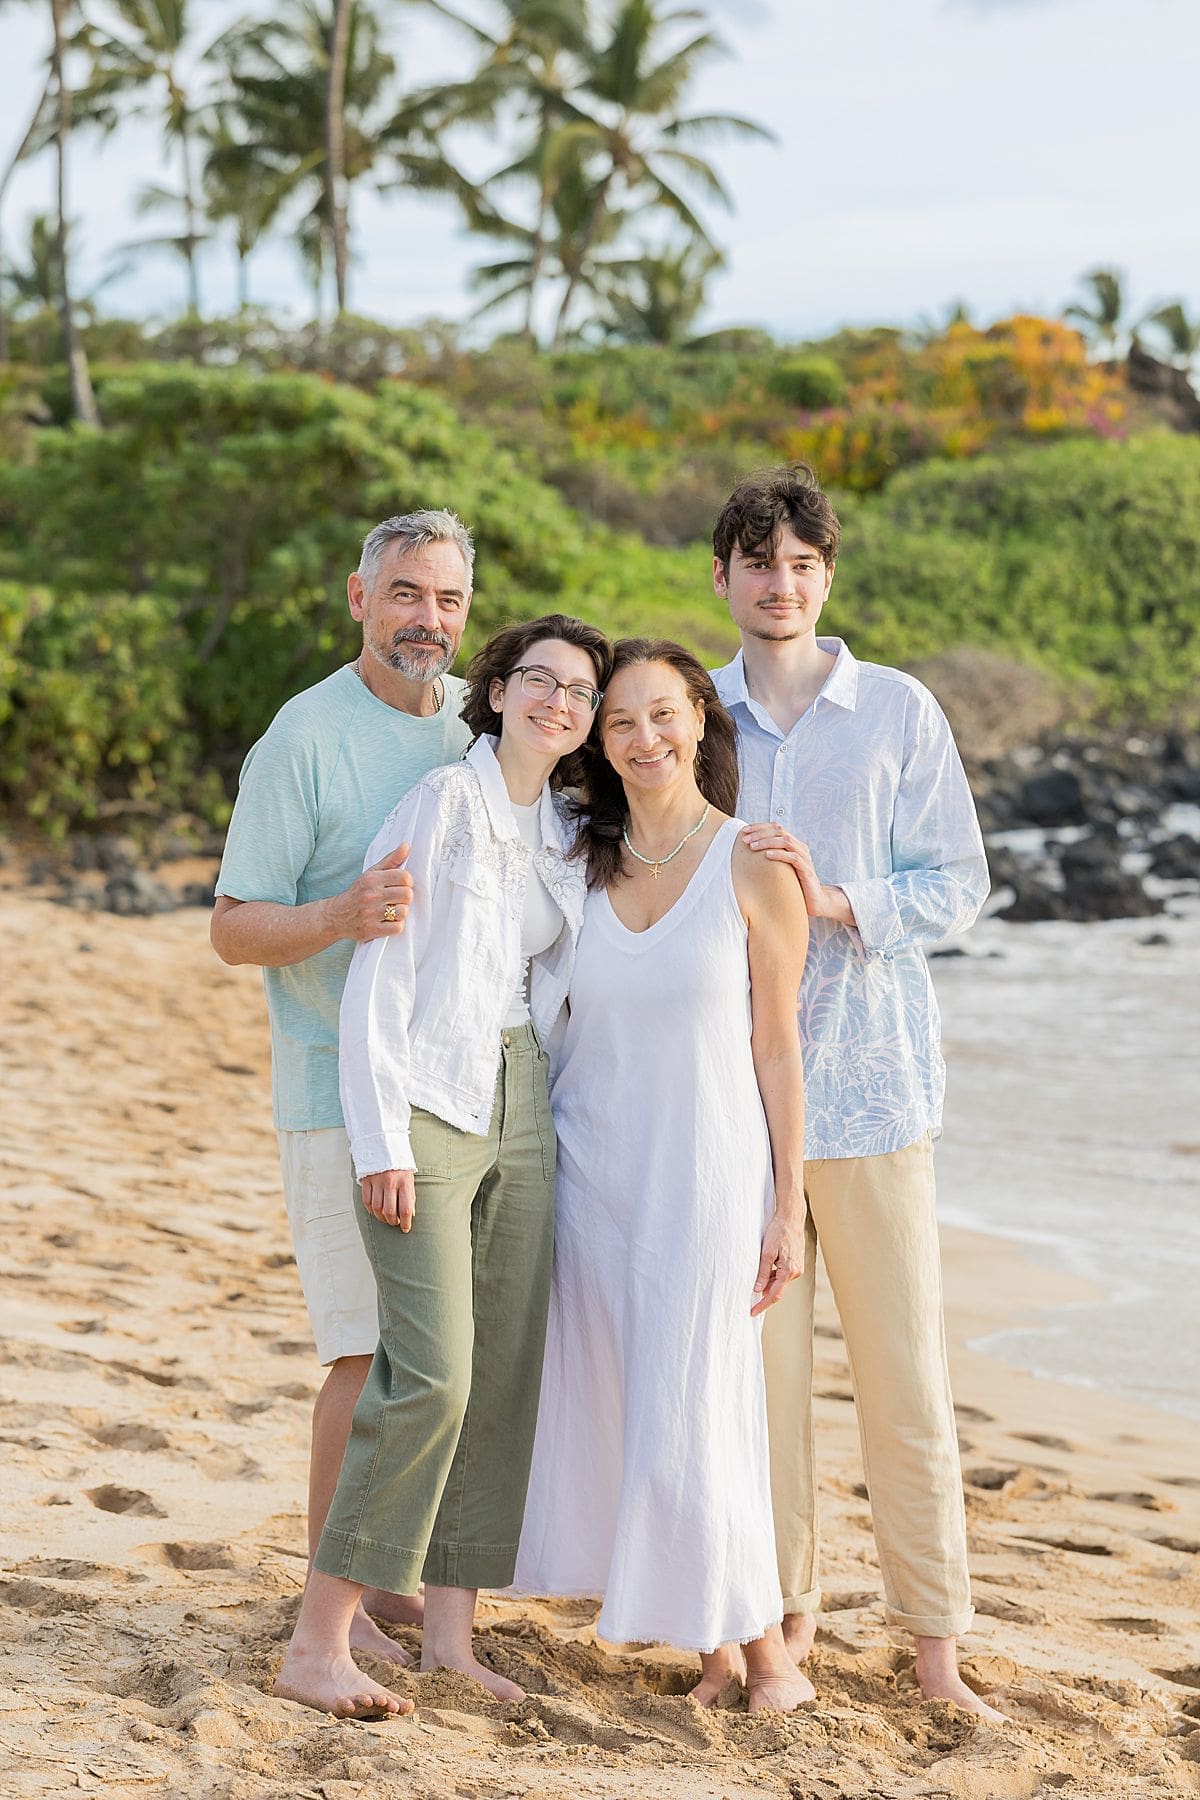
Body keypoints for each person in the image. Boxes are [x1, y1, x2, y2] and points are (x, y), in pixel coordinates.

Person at [274, 613, 613, 1719]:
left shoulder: (565, 825)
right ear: (500, 691)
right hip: (427, 1100)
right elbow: (378, 981)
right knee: (431, 1376)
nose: (559, 701)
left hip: (528, 1103)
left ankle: (450, 1640)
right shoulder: (441, 806)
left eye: (579, 691)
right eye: (540, 680)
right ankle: (320, 1638)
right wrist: (380, 1141)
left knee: (504, 1378)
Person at [709, 464, 1001, 1720]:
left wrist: (838, 902)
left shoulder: (895, 711)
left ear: (829, 578)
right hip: (727, 1102)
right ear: (721, 575)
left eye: (803, 565)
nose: (781, 585)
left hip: (875, 1094)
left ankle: (937, 1650)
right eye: (760, 563)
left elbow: (959, 880)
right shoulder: (690, 712)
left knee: (905, 1383)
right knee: (759, 1392)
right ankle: (784, 1627)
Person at [513, 639, 815, 1715]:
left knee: (702, 1400)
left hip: (706, 1173)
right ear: (599, 741)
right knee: (637, 1399)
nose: (644, 738)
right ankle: (715, 1653)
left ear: (701, 721)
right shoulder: (574, 862)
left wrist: (791, 1202)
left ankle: (770, 1652)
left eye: (662, 714)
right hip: (591, 1165)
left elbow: (778, 1046)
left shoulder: (755, 861)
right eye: (621, 722)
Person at [210, 509, 475, 1668]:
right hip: (332, 1089)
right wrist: (338, 917)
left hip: (457, 1093)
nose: (430, 619)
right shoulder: (302, 738)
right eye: (408, 594)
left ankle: (390, 1575)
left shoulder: (478, 724)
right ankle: (338, 1600)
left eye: (450, 600)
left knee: (435, 1357)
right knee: (362, 1358)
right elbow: (232, 927)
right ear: (359, 599)